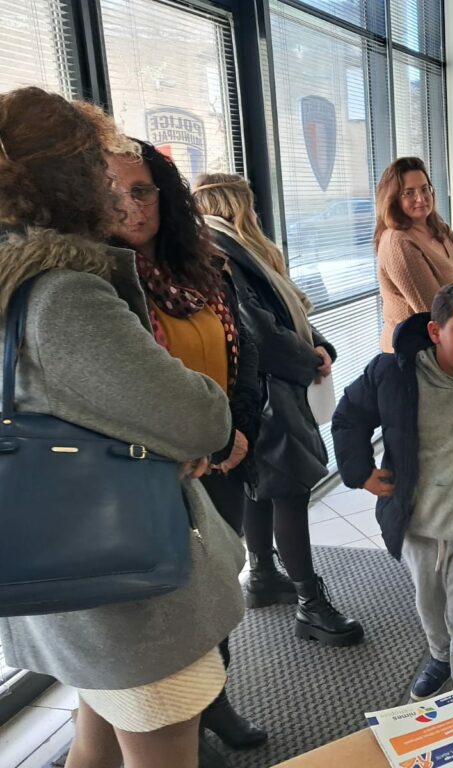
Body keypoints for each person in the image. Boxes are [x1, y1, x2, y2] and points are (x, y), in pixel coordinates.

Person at [0, 87, 244, 768]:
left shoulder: (12, 284)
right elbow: (199, 417)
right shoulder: (61, 293)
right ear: (77, 177)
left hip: (61, 573)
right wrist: (172, 439)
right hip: (125, 597)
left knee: (95, 747)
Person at [106, 143, 266, 752]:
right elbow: (121, 389)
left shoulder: (201, 265)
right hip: (153, 474)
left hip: (221, 459)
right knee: (174, 608)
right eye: (114, 192)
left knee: (218, 590)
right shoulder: (99, 281)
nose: (130, 206)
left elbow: (244, 351)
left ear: (164, 196)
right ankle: (183, 725)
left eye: (142, 190)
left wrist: (236, 432)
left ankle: (216, 702)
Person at [192, 172, 364, 648]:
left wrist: (319, 345)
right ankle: (311, 605)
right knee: (289, 490)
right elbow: (261, 331)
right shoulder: (224, 252)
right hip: (268, 392)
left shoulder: (221, 249)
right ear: (238, 207)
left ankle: (264, 575)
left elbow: (288, 313)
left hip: (251, 392)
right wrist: (310, 358)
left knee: (261, 487)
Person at [332, 284, 453, 700]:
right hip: (419, 522)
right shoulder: (393, 374)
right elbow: (348, 416)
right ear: (436, 332)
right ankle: (440, 657)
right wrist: (360, 472)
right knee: (430, 608)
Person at [374, 157, 453, 352]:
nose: (421, 198)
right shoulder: (398, 242)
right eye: (409, 192)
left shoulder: (441, 230)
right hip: (417, 354)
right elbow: (434, 312)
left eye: (425, 189)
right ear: (394, 199)